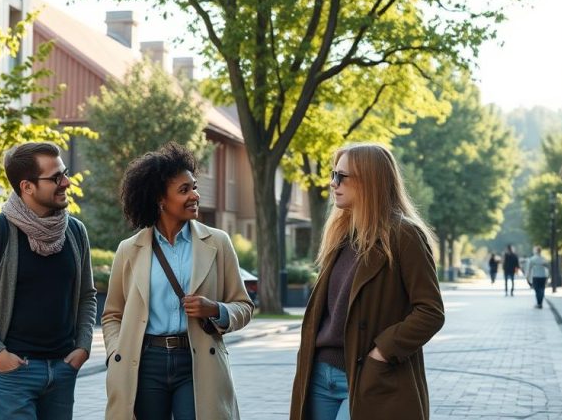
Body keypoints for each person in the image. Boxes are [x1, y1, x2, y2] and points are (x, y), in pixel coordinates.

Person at [289, 143, 445, 420]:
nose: (332, 183)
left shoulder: (404, 236)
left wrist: (382, 352)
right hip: (319, 376)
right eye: (332, 174)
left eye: (341, 176)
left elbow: (430, 311)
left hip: (369, 376)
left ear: (368, 181)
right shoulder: (340, 235)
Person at [102, 142, 254, 419]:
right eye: (184, 190)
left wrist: (216, 310)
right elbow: (113, 314)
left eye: (194, 186)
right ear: (160, 199)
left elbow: (243, 306)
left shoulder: (217, 242)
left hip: (198, 362)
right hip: (145, 362)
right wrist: (116, 353)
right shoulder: (129, 250)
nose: (195, 195)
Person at [0, 142, 97, 420]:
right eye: (55, 177)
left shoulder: (76, 232)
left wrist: (83, 346)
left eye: (64, 173)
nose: (65, 182)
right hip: (14, 373)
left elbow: (87, 295)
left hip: (63, 368)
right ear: (27, 186)